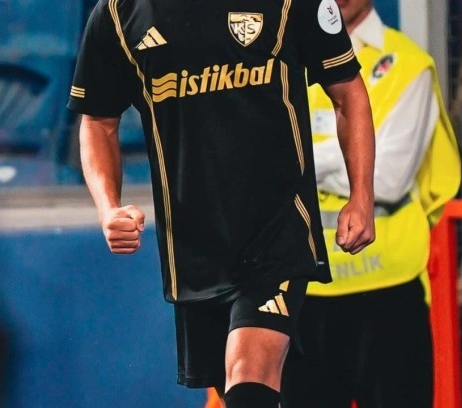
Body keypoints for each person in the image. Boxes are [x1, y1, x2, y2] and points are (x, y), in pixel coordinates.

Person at [68, 0, 376, 406]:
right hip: (194, 250)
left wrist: (361, 195)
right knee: (236, 389)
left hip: (277, 232)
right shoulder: (118, 13)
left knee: (248, 371)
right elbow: (97, 120)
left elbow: (347, 92)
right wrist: (108, 207)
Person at [279, 1, 461, 407]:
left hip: (388, 292)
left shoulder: (408, 64)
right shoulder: (281, 61)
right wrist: (353, 154)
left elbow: (391, 178)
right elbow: (260, 162)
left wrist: (304, 160)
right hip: (301, 290)